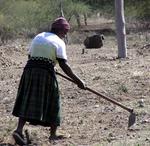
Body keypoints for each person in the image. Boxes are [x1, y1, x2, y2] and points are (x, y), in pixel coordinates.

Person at [12, 17, 86, 145]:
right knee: (54, 100)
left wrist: (49, 64)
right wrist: (79, 81)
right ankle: (53, 135)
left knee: (27, 99)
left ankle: (18, 130)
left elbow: (31, 56)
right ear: (59, 31)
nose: (65, 35)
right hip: (45, 74)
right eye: (64, 32)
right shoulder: (58, 41)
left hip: (29, 71)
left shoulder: (38, 36)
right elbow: (64, 65)